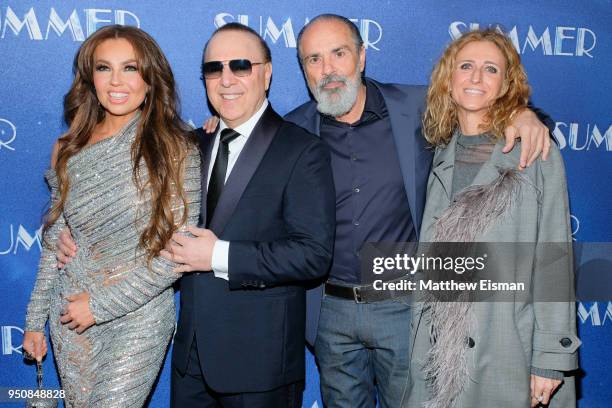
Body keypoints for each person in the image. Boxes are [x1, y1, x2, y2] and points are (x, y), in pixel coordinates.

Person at [282, 14, 555, 408]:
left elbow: (480, 105)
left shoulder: (416, 107)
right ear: (304, 70)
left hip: (406, 306)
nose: (327, 69)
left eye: (338, 53)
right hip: (330, 312)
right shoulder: (293, 131)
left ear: (361, 57)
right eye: (313, 59)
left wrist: (522, 114)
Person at [22, 25, 201, 407]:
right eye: (104, 68)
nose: (117, 81)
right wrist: (35, 321)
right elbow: (56, 242)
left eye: (131, 68)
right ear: (90, 78)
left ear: (151, 79)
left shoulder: (176, 147)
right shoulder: (67, 147)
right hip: (71, 313)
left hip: (139, 315)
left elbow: (179, 253)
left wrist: (99, 306)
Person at [161, 23, 335, 407]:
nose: (226, 80)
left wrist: (218, 255)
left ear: (267, 73)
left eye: (241, 66)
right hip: (191, 360)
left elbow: (313, 254)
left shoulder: (302, 150)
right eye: (214, 68)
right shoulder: (191, 145)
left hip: (261, 363)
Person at [406, 29, 580, 407]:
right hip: (437, 351)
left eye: (490, 69)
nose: (476, 77)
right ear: (448, 80)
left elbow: (554, 261)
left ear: (506, 86)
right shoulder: (434, 153)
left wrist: (550, 359)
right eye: (465, 66)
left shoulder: (534, 155)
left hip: (507, 348)